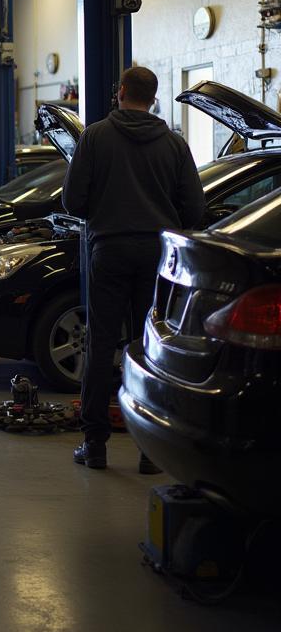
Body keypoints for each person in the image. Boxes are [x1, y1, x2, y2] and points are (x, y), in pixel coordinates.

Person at [62, 66, 204, 471]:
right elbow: (195, 208)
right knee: (148, 349)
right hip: (157, 256)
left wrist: (105, 210)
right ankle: (149, 451)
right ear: (153, 98)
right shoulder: (175, 145)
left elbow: (73, 202)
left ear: (120, 91)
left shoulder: (94, 137)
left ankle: (95, 446)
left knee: (101, 343)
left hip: (108, 249)